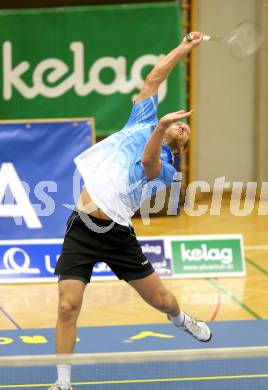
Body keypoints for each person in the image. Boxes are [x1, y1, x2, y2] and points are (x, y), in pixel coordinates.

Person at [49, 31, 211, 390]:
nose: (183, 127)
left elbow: (147, 159)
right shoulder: (142, 119)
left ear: (181, 148)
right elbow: (154, 78)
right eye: (181, 123)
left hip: (119, 235)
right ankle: (63, 382)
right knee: (66, 306)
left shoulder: (167, 169)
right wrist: (184, 48)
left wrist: (165, 127)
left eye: (185, 131)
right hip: (83, 225)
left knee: (161, 300)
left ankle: (180, 317)